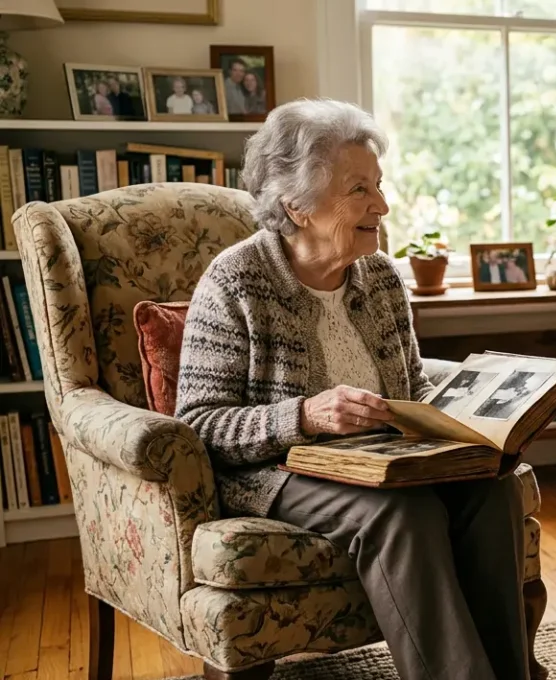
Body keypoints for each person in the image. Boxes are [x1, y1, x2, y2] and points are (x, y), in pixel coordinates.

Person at [174, 98, 529, 680]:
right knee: (401, 513)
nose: (382, 206)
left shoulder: (383, 277)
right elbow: (201, 423)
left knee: (495, 491)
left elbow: (413, 387)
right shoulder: (235, 280)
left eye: (379, 186)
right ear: (297, 204)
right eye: (359, 190)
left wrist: (483, 418)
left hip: (386, 461)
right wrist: (305, 416)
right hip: (283, 471)